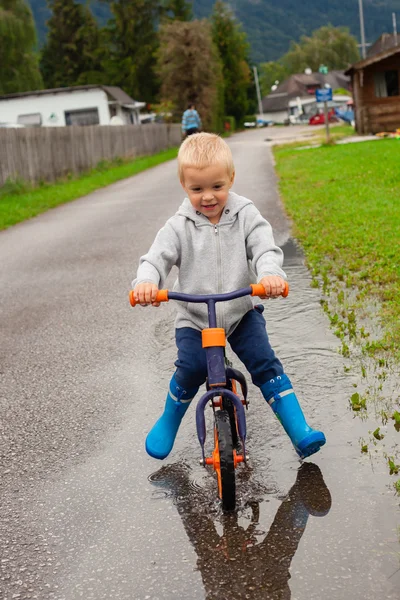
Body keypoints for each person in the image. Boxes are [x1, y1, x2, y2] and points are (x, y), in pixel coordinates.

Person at [132, 132, 326, 461]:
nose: (208, 197)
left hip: (240, 312)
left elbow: (264, 248)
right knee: (191, 367)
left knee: (264, 362)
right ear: (184, 185)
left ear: (231, 179)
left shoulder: (246, 214)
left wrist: (270, 275)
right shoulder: (178, 226)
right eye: (197, 189)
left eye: (217, 187)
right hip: (195, 319)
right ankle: (170, 418)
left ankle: (299, 430)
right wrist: (146, 282)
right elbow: (156, 258)